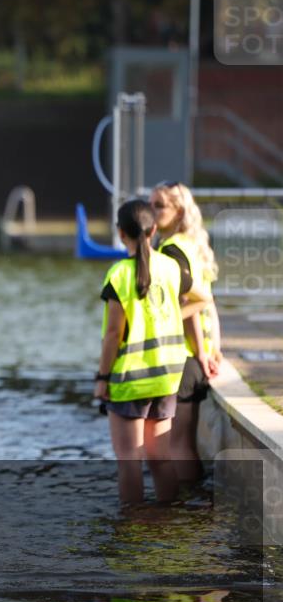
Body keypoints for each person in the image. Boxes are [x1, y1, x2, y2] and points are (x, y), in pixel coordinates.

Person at [94, 199, 211, 505]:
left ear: (121, 234)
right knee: (160, 458)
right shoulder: (171, 267)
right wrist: (171, 316)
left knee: (129, 461)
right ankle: (165, 524)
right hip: (166, 378)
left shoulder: (118, 275)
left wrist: (102, 378)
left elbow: (112, 335)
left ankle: (133, 531)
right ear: (153, 230)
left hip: (130, 379)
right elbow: (202, 298)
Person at [150, 182, 222, 483]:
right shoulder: (193, 244)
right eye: (150, 204)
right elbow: (210, 303)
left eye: (159, 206)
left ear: (177, 211)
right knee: (186, 443)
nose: (152, 211)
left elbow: (192, 303)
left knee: (178, 444)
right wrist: (215, 345)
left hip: (184, 355)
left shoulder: (171, 249)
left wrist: (203, 354)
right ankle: (195, 508)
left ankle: (186, 509)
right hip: (196, 353)